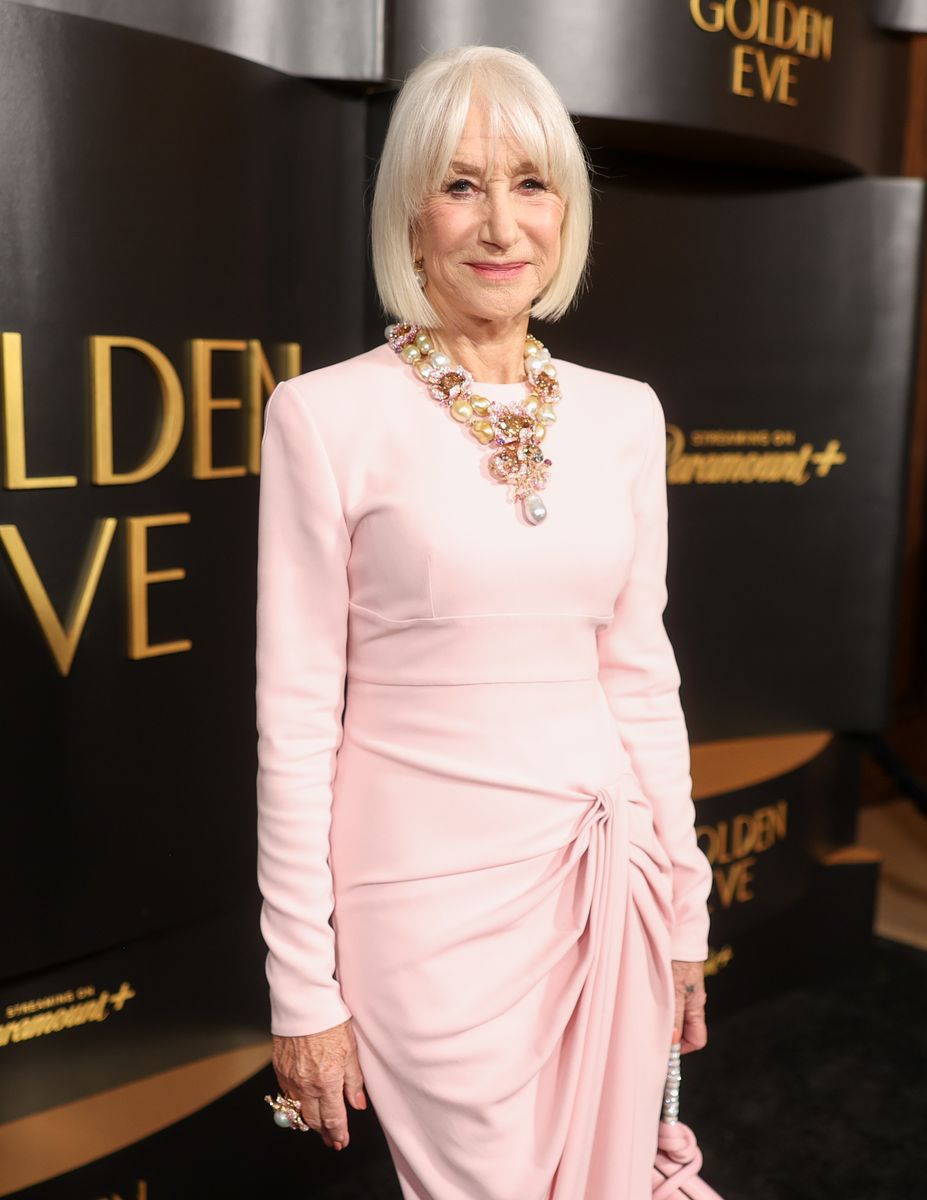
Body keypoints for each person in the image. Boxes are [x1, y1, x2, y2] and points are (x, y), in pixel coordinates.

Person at [255, 43, 713, 1200]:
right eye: (460, 185)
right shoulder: (324, 419)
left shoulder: (624, 417)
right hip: (422, 910)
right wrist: (303, 987)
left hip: (604, 881)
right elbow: (297, 717)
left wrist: (682, 911)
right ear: (410, 217)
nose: (500, 224)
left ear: (569, 209)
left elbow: (641, 679)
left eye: (531, 183)